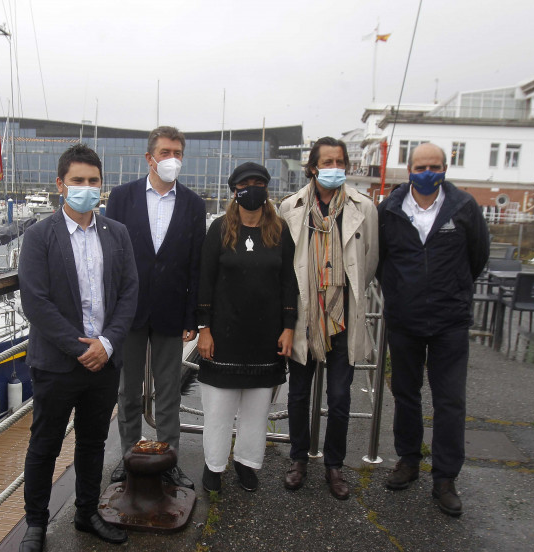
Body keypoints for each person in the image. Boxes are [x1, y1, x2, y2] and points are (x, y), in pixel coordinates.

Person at [17, 144, 139, 552]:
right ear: (60, 185)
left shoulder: (117, 234)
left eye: (93, 181)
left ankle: (86, 513)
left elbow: (128, 293)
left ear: (101, 186)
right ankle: (36, 523)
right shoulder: (38, 237)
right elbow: (35, 302)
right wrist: (78, 348)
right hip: (56, 364)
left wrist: (105, 345)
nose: (86, 189)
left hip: (103, 361)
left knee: (93, 442)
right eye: (78, 181)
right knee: (44, 445)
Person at [378, 142, 489, 517]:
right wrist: (399, 292)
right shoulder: (390, 210)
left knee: (450, 401)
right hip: (405, 320)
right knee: (406, 395)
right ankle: (408, 461)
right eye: (421, 166)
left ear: (445, 168)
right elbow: (381, 260)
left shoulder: (464, 207)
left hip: (449, 321)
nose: (428, 172)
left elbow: (478, 256)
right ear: (409, 170)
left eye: (435, 166)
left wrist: (453, 290)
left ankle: (445, 478)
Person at [105, 126, 206, 489]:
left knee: (168, 392)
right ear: (149, 157)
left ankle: (169, 458)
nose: (172, 159)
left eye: (177, 152)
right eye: (165, 152)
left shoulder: (194, 204)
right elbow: (110, 258)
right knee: (128, 390)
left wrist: (192, 316)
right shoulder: (121, 197)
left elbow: (196, 264)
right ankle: (129, 456)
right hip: (127, 312)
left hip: (171, 311)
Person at [279, 137, 378, 500]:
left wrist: (337, 296)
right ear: (312, 167)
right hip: (305, 317)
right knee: (298, 395)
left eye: (340, 161)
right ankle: (299, 459)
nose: (334, 167)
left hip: (343, 317)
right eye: (327, 161)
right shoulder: (292, 207)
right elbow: (285, 267)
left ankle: (334, 465)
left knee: (339, 397)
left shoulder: (364, 208)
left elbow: (369, 262)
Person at [196, 162, 297, 493]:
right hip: (223, 336)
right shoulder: (220, 229)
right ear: (234, 190)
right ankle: (214, 466)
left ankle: (247, 464)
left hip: (266, 337)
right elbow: (205, 281)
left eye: (258, 183)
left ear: (267, 190)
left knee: (257, 411)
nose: (252, 188)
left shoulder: (279, 231)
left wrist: (289, 326)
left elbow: (288, 283)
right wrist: (204, 328)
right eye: (245, 183)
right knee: (219, 410)